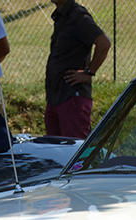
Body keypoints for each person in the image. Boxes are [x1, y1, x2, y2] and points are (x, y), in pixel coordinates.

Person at [45, 0, 111, 138]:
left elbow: (104, 43)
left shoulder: (78, 17)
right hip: (55, 98)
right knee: (55, 154)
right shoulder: (61, 16)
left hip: (71, 100)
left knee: (75, 153)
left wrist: (89, 72)